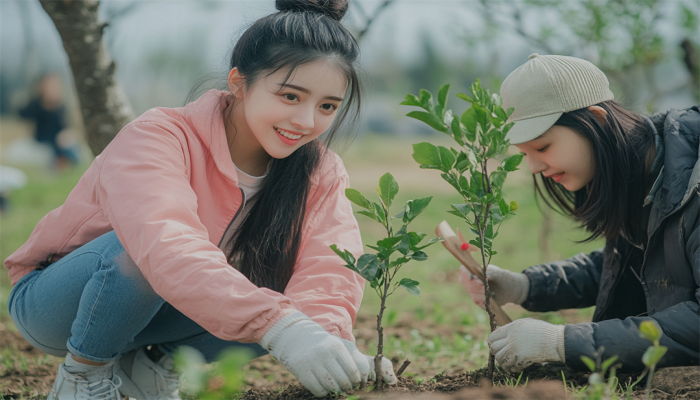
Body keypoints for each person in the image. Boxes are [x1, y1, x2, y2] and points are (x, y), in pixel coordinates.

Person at [4, 1, 397, 399]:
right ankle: (82, 377)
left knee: (277, 287)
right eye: (291, 96)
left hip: (165, 313)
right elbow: (165, 244)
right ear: (239, 82)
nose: (307, 121)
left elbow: (328, 266)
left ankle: (151, 366)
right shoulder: (159, 136)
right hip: (60, 305)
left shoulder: (320, 170)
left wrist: (328, 340)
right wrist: (280, 326)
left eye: (327, 106)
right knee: (141, 256)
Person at [460, 54, 699, 373]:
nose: (534, 167)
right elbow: (643, 266)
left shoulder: (692, 184)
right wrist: (526, 286)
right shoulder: (644, 171)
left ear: (597, 120)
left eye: (542, 148)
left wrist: (562, 342)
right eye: (525, 153)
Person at [18, 73, 79, 169]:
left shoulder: (61, 106)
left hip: (58, 139)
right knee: (55, 147)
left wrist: (66, 135)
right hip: (43, 139)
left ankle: (70, 162)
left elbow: (66, 126)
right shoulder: (37, 103)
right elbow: (22, 114)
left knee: (67, 146)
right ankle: (61, 163)